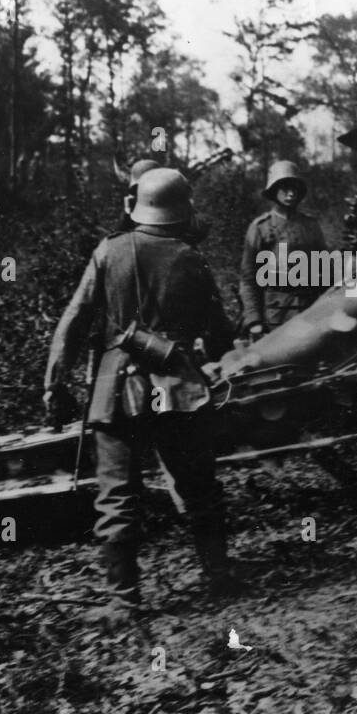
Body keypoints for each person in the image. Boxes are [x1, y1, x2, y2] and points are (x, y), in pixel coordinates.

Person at [43, 168, 237, 629]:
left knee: (116, 496)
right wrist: (222, 362)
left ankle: (123, 602)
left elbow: (73, 321)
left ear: (138, 205)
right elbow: (218, 333)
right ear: (182, 210)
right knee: (199, 488)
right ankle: (218, 576)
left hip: (116, 390)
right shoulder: (192, 258)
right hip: (179, 390)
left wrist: (54, 383)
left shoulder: (109, 251)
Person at [239, 161, 326, 338]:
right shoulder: (260, 228)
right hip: (275, 317)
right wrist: (254, 320)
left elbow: (325, 273)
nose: (291, 193)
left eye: (295, 188)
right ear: (273, 190)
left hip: (310, 312)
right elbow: (248, 279)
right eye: (285, 187)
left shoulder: (311, 225)